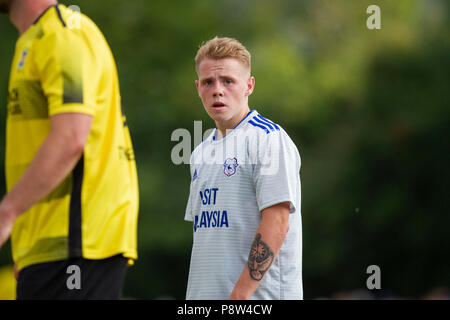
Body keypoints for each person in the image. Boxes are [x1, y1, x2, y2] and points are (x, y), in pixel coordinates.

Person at [0, 0, 139, 299]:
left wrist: (7, 212)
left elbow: (71, 137)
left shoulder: (64, 34)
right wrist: (26, 246)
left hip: (78, 243)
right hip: (50, 248)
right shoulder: (36, 39)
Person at [184, 36, 303, 299]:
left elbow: (278, 221)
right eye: (208, 82)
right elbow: (209, 238)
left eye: (228, 81)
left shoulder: (269, 138)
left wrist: (240, 295)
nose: (217, 90)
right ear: (198, 88)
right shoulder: (200, 152)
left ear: (249, 85)